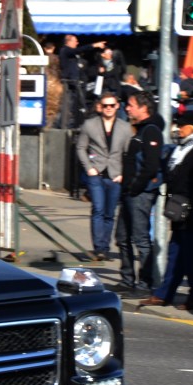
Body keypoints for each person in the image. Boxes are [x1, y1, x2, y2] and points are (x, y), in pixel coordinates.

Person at [140, 110, 193, 312]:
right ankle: (164, 293)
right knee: (176, 253)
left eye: (182, 125)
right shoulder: (181, 148)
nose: (178, 129)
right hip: (179, 208)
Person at [115, 91, 165, 293]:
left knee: (140, 238)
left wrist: (135, 187)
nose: (127, 108)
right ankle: (127, 279)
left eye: (131, 105)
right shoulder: (140, 130)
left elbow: (151, 166)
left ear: (143, 108)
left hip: (140, 194)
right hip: (129, 193)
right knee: (122, 237)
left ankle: (146, 282)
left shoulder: (151, 131)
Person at [76, 92, 132, 261]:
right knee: (98, 210)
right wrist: (89, 168)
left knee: (109, 213)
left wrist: (123, 174)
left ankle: (105, 247)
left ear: (117, 107)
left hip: (115, 175)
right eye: (105, 105)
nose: (108, 108)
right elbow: (80, 147)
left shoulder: (125, 127)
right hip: (96, 173)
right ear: (100, 107)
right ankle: (99, 247)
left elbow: (128, 153)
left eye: (112, 105)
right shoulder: (89, 125)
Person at [56, 35, 105, 128]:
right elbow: (78, 50)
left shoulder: (73, 55)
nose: (77, 43)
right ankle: (64, 125)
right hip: (68, 84)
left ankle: (76, 124)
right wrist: (94, 45)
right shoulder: (65, 50)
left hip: (75, 84)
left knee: (76, 106)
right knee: (67, 106)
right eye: (75, 41)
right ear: (68, 42)